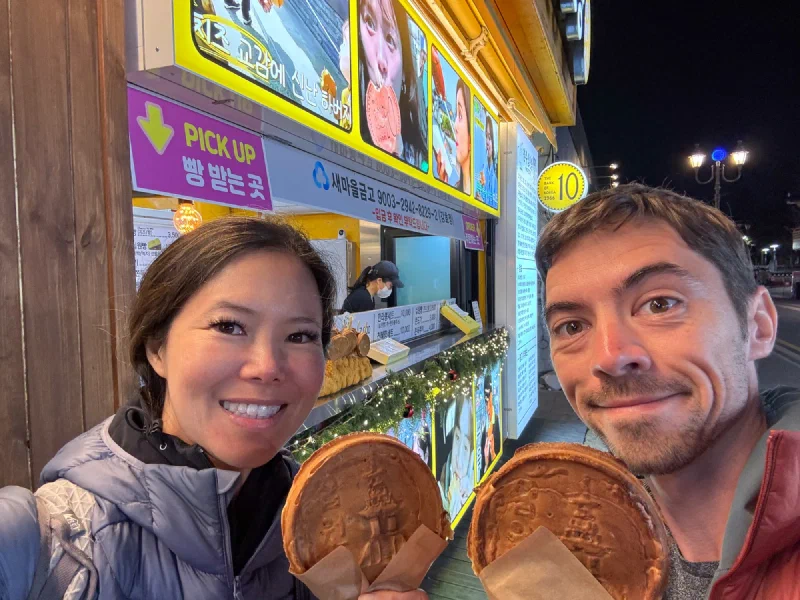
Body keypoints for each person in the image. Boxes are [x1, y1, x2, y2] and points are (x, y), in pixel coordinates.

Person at [0, 217, 427, 600]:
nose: (267, 367)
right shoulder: (54, 545)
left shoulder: (325, 529)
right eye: (229, 326)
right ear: (157, 348)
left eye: (300, 336)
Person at [536, 184, 800, 599]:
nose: (609, 357)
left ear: (759, 326)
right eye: (572, 326)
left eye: (660, 304)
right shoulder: (571, 540)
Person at [358, 0, 428, 169]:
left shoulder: (419, 158)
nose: (381, 58)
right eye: (370, 23)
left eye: (390, 39)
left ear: (405, 72)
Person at [436, 78, 471, 194]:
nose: (455, 125)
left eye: (460, 115)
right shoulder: (454, 189)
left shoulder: (482, 207)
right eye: (456, 114)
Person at [480, 116, 497, 207]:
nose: (487, 142)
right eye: (485, 136)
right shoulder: (480, 169)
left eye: (489, 138)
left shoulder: (495, 178)